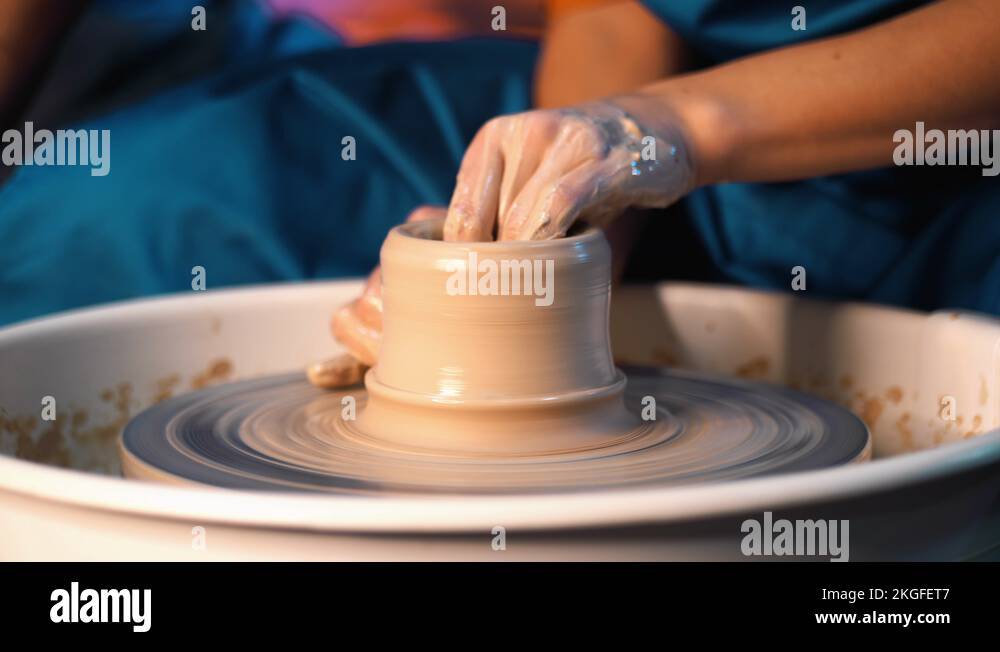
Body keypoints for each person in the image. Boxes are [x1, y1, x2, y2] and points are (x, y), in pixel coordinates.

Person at [316, 0, 1000, 386]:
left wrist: (677, 128)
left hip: (943, 153)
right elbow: (609, 14)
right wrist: (579, 226)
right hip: (665, 121)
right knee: (228, 155)